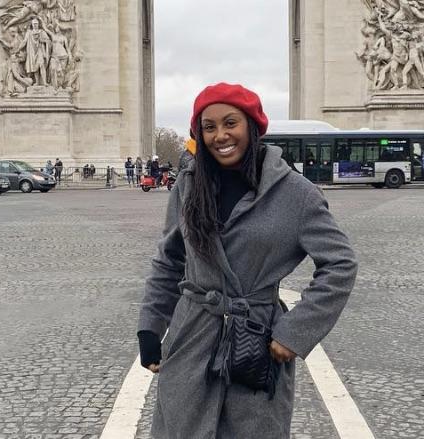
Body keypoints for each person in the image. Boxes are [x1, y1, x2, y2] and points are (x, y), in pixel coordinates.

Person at [137, 82, 357, 437]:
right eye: (209, 127)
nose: (220, 135)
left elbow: (341, 264)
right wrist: (150, 326)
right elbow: (170, 259)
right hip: (192, 334)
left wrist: (293, 333)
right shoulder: (188, 185)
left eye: (230, 123)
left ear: (252, 126)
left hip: (256, 343)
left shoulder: (295, 192)